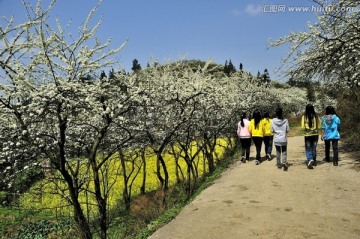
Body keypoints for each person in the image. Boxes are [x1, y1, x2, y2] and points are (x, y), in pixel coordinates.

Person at [301, 104, 321, 169]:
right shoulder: (316, 116)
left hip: (307, 134)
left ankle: (310, 159)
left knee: (308, 147)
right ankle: (314, 161)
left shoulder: (304, 116)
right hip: (315, 134)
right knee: (314, 147)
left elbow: (302, 126)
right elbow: (319, 125)